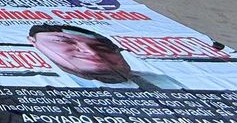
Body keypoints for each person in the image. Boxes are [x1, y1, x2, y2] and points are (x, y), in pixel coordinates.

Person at [28, 25, 181, 89]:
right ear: (33, 42)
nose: (92, 53)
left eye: (101, 48)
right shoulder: (40, 82)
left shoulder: (161, 82)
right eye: (64, 42)